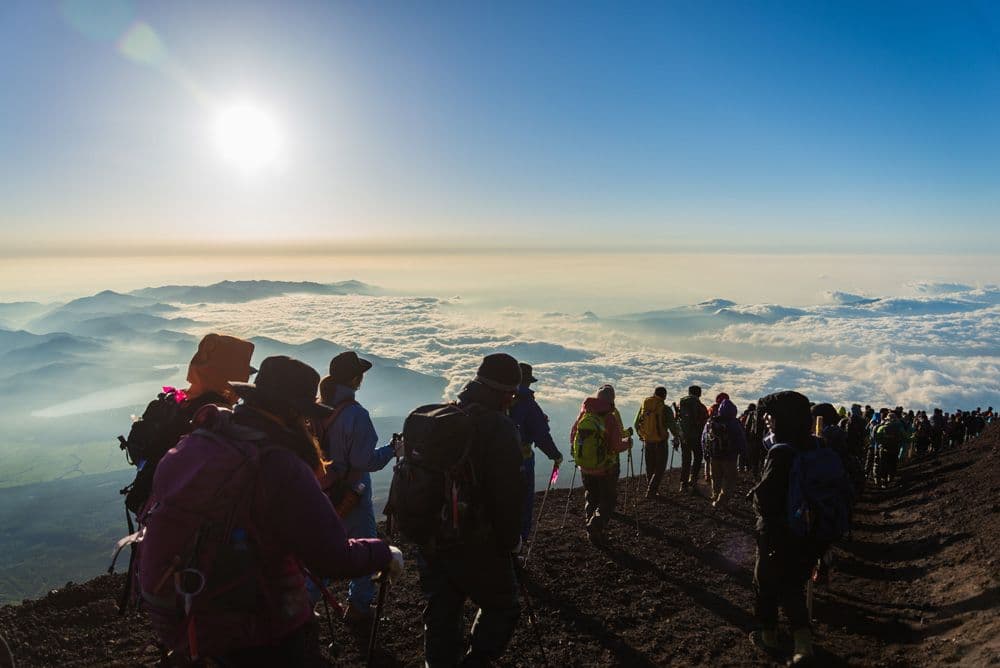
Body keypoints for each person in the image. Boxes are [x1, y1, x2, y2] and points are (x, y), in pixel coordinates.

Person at [138, 355, 402, 666]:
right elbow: (332, 555)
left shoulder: (200, 442)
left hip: (189, 612)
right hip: (259, 632)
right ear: (292, 412)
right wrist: (384, 553)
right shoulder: (279, 465)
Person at [415, 354, 524, 667]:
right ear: (505, 393)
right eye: (513, 394)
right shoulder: (498, 428)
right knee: (503, 605)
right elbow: (507, 494)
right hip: (475, 538)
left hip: (431, 533)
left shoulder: (445, 415)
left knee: (443, 611)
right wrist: (510, 541)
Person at [317, 351, 399, 624]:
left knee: (324, 543)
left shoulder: (317, 409)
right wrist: (392, 450)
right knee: (363, 544)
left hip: (323, 490)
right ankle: (359, 606)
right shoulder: (356, 414)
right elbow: (366, 461)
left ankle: (305, 602)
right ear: (355, 379)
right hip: (354, 491)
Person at [749, 391, 823, 664]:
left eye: (771, 415)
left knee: (765, 582)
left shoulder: (781, 452)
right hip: (807, 531)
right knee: (793, 585)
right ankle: (803, 643)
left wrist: (755, 497)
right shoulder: (814, 446)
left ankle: (769, 635)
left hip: (776, 532)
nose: (767, 419)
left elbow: (767, 499)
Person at [510, 362, 564, 545]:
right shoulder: (527, 403)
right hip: (521, 461)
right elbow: (541, 435)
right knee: (522, 502)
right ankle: (517, 543)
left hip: (488, 460)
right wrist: (555, 455)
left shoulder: (493, 399)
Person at [571, 384, 628, 544]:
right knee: (608, 500)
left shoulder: (584, 414)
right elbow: (616, 446)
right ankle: (596, 525)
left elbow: (573, 436)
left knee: (591, 496)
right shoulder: (610, 417)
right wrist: (627, 443)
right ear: (612, 400)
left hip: (585, 467)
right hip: (606, 468)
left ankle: (593, 531)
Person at [634, 386, 681, 498]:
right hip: (660, 442)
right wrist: (677, 436)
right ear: (664, 396)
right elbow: (673, 427)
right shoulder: (665, 409)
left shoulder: (644, 406)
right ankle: (652, 490)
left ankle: (652, 489)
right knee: (660, 468)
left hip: (648, 441)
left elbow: (636, 424)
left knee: (650, 466)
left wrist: (641, 435)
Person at [702, 397, 746, 508]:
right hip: (730, 457)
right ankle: (721, 500)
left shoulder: (711, 422)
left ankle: (715, 495)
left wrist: (706, 453)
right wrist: (743, 454)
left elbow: (704, 439)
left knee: (716, 477)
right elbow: (741, 440)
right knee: (729, 478)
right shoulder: (735, 423)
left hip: (714, 456)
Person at [677, 385, 709, 494]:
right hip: (697, 436)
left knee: (686, 460)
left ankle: (683, 484)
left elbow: (677, 420)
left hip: (684, 436)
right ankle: (693, 479)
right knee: (698, 457)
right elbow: (705, 422)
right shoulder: (701, 406)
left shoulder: (681, 404)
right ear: (699, 394)